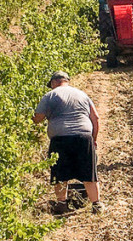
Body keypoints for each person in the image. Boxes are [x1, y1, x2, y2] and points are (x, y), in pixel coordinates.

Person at [31, 71, 101, 214]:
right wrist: (93, 139)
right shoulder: (82, 94)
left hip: (60, 139)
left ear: (53, 83)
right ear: (66, 81)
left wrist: (29, 118)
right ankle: (96, 205)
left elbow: (38, 118)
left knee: (60, 174)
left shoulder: (49, 96)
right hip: (83, 137)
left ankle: (62, 204)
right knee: (89, 173)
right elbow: (95, 118)